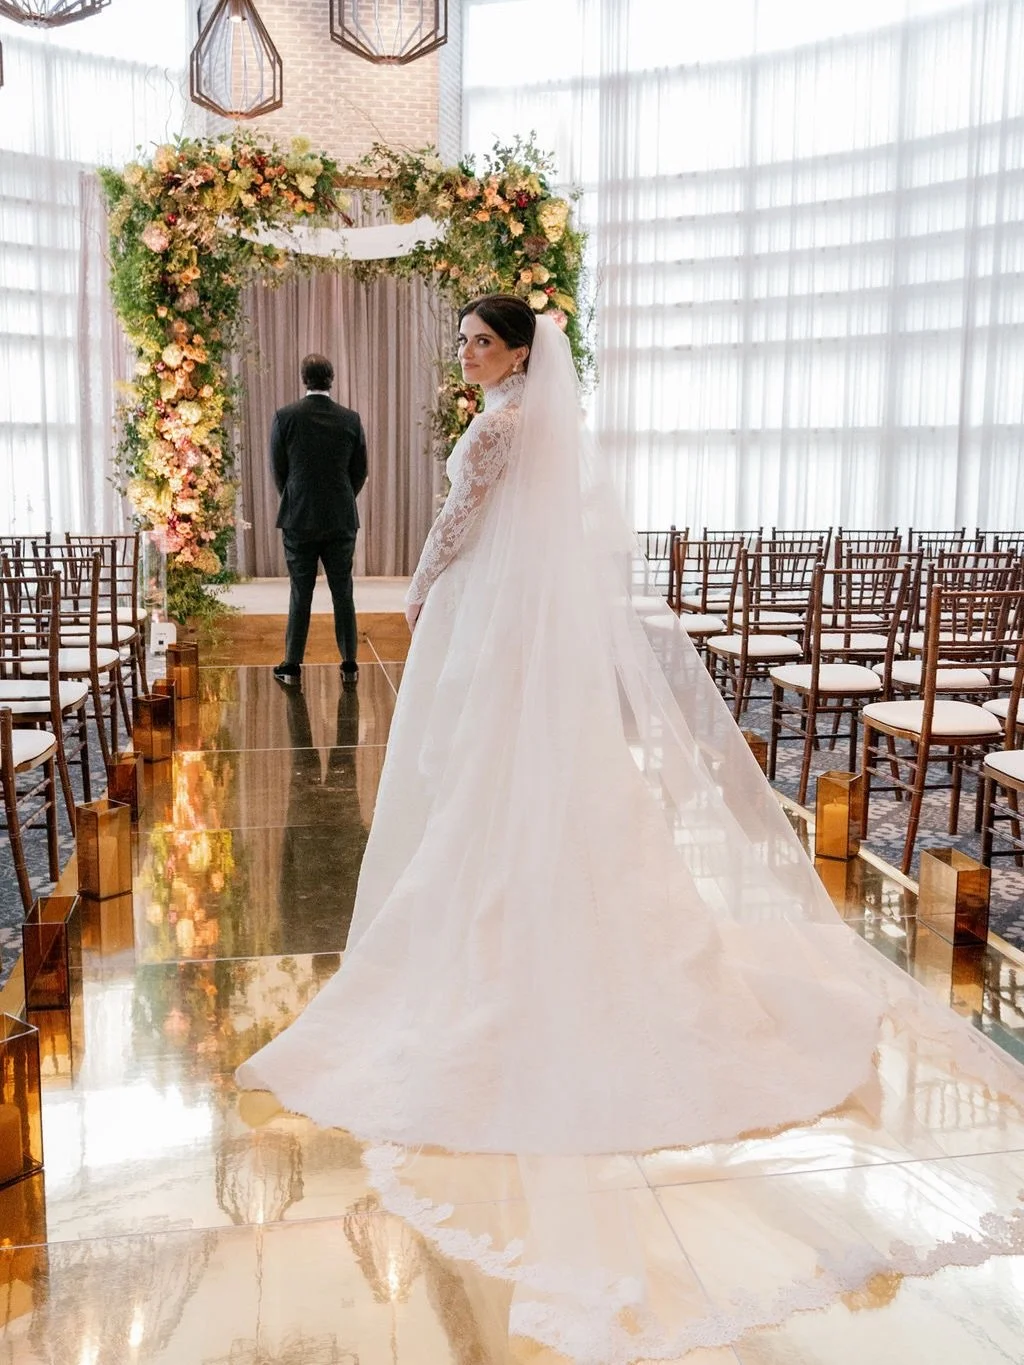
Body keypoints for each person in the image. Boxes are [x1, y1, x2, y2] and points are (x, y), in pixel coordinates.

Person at [240, 298, 1024, 1361]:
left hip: (482, 609)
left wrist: (420, 590)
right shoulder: (536, 418)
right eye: (463, 339)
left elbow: (458, 520)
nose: (466, 352)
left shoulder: (506, 423)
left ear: (519, 351)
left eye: (480, 339)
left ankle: (502, 932)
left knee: (480, 772)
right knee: (513, 773)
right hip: (517, 617)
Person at [270, 353, 367, 687]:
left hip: (299, 518)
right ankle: (350, 664)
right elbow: (360, 471)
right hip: (341, 517)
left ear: (303, 379)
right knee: (343, 591)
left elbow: (279, 471)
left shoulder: (285, 417)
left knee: (301, 591)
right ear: (332, 378)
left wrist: (297, 499)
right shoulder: (350, 419)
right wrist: (340, 499)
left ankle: (292, 666)